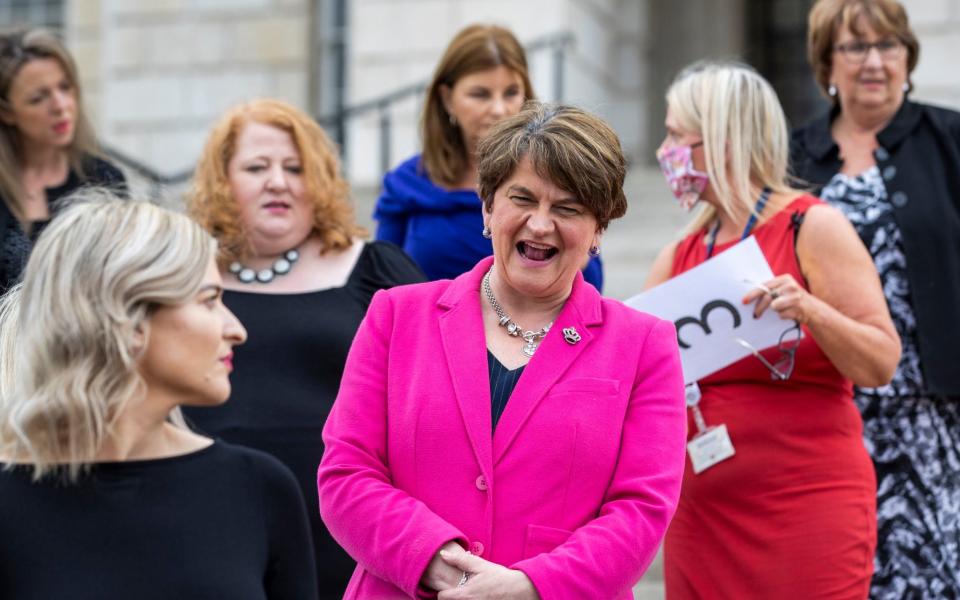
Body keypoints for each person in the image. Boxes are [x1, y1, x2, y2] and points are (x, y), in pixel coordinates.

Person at [318, 102, 687, 600]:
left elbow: (641, 510)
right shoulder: (395, 316)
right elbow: (347, 473)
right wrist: (440, 566)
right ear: (488, 208)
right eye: (522, 199)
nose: (540, 224)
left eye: (567, 208)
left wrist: (530, 586)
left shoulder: (644, 345)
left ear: (598, 230)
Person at [645, 62, 901, 598]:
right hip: (703, 520)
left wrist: (811, 310)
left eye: (675, 135)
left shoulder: (813, 226)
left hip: (807, 506)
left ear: (721, 140)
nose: (664, 151)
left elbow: (880, 362)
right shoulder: (679, 254)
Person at [0, 195, 318, 599]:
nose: (236, 329)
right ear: (127, 318)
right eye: (209, 300)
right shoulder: (9, 503)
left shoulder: (257, 487)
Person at [182, 98, 424, 598]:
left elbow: (434, 392)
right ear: (221, 181)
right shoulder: (182, 274)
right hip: (209, 521)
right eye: (256, 167)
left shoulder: (375, 270)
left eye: (295, 168)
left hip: (344, 529)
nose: (278, 181)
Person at [790, 1, 960, 596]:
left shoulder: (950, 138)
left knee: (932, 572)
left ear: (907, 58)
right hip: (831, 407)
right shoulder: (795, 156)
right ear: (826, 64)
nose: (874, 61)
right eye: (855, 47)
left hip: (935, 410)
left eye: (887, 45)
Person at [372, 24, 604, 290]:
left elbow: (591, 287)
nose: (498, 109)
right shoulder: (408, 183)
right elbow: (381, 284)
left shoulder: (559, 177)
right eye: (480, 94)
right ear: (447, 99)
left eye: (511, 93)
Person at [0, 27, 126, 292]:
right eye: (38, 98)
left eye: (65, 87)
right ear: (7, 113)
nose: (60, 106)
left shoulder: (103, 178)